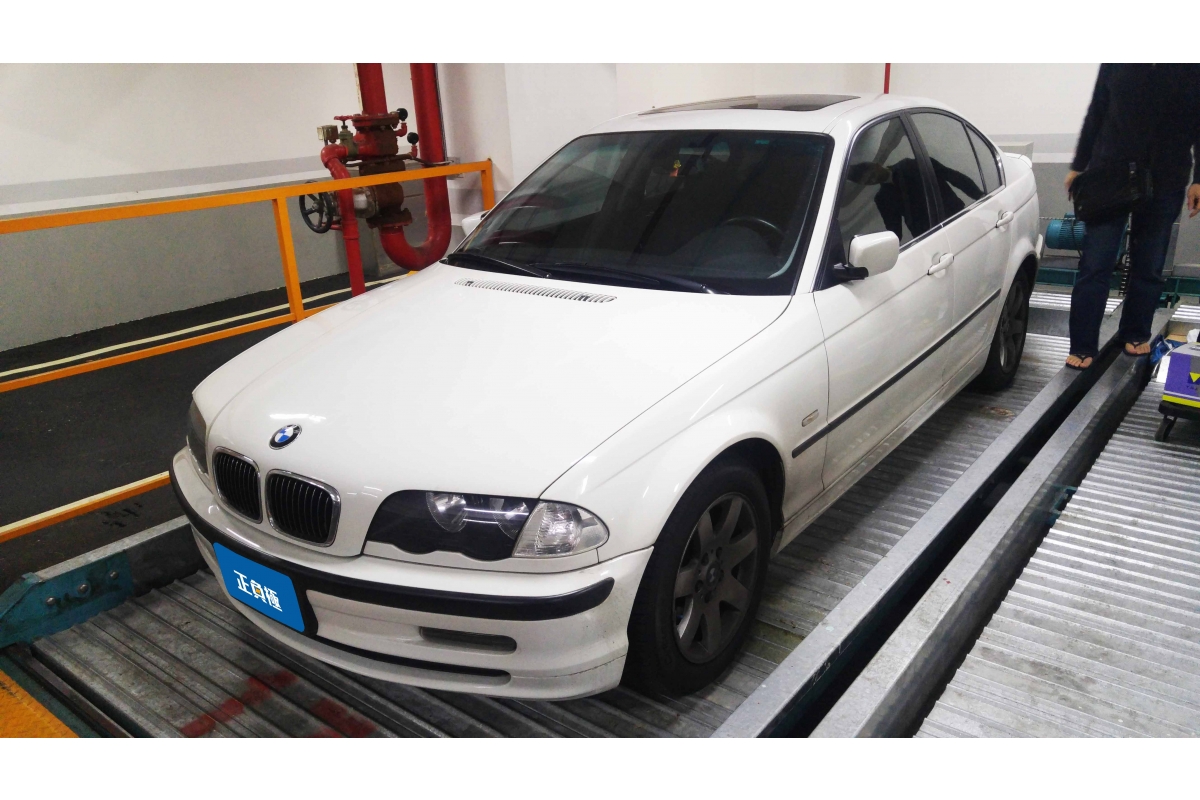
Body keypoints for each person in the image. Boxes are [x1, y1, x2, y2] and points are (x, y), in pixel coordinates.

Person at [1064, 64, 1200, 370]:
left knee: (1149, 264)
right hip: (1110, 174)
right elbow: (1097, 111)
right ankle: (1083, 345)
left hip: (1166, 178)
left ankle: (1135, 332)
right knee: (1095, 264)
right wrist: (1079, 165)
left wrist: (1199, 179)